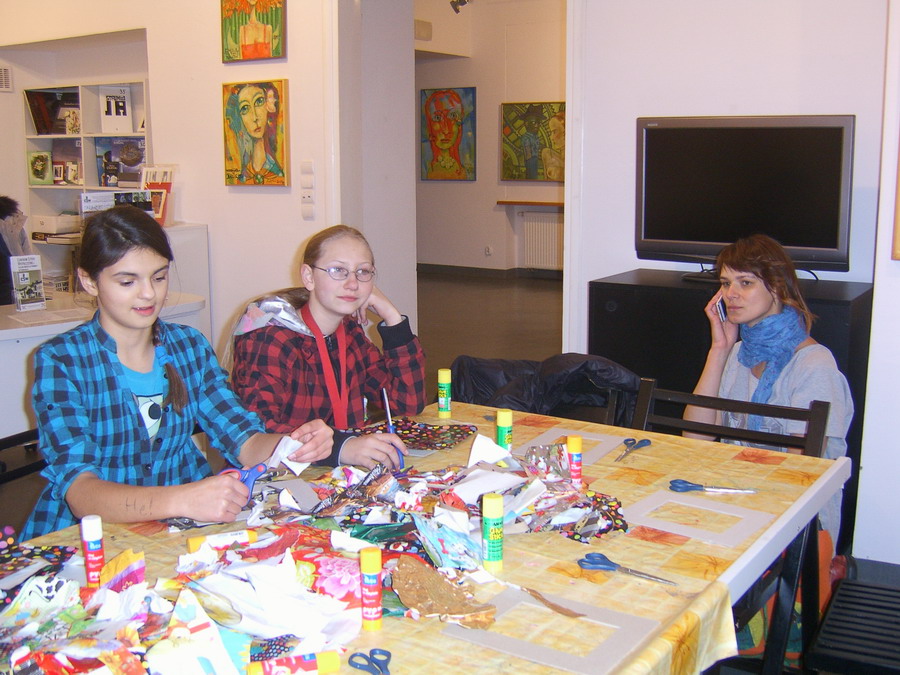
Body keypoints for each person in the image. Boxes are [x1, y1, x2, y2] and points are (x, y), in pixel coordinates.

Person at [20, 206, 336, 540]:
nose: (149, 294)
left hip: (175, 530)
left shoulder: (188, 346)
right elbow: (80, 491)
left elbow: (244, 440)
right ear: (88, 280)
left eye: (159, 277)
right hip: (88, 539)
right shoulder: (63, 360)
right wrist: (182, 499)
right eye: (127, 281)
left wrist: (293, 444)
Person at [685, 233, 853, 546]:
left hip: (797, 527)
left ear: (776, 287)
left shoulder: (814, 365)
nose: (731, 294)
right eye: (725, 283)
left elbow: (798, 476)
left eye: (745, 283)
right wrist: (719, 350)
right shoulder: (737, 353)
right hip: (736, 499)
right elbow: (696, 438)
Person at [230, 225, 427, 468]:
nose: (353, 283)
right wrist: (342, 447)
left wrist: (392, 317)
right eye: (338, 270)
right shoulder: (270, 339)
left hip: (339, 474)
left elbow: (407, 404)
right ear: (309, 277)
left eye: (363, 272)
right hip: (280, 479)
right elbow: (259, 437)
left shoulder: (350, 332)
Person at [224, 81, 285, 185]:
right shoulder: (243, 177)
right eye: (245, 108)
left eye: (259, 101)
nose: (254, 117)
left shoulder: (278, 173)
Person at [423, 89, 468, 180]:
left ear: (459, 125)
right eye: (437, 118)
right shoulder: (422, 163)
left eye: (452, 116)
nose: (446, 130)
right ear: (429, 124)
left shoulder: (465, 165)